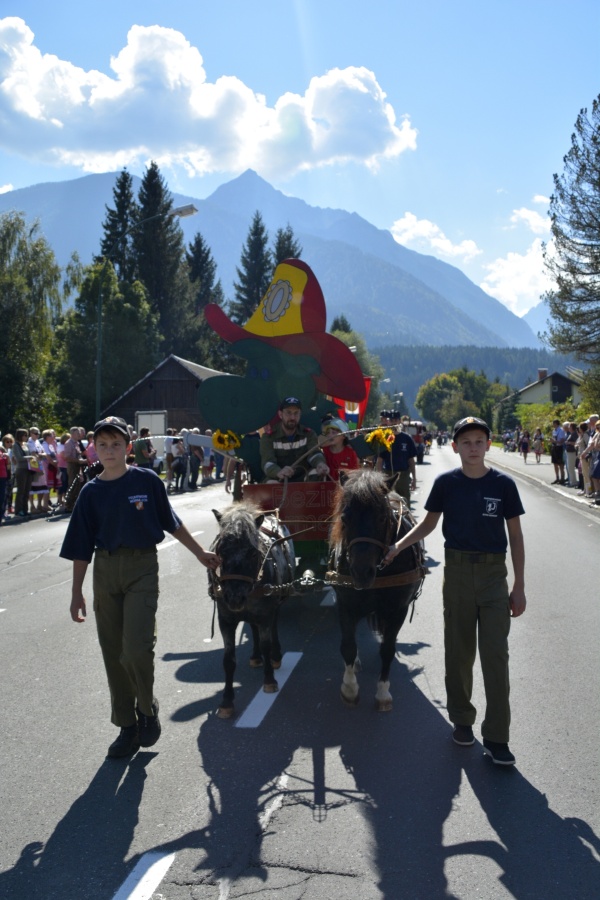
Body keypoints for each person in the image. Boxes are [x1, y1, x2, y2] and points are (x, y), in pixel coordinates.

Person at [60, 415, 220, 759]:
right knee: (112, 653)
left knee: (135, 648)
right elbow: (80, 547)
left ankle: (147, 709)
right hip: (105, 570)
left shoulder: (146, 480)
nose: (109, 450)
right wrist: (77, 593)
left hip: (142, 567)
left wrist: (200, 553)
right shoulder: (90, 492)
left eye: (116, 444)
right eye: (102, 444)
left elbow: (171, 523)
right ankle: (126, 726)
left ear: (129, 447)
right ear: (94, 450)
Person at [383, 416, 526, 766]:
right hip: (458, 571)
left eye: (479, 441)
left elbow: (516, 536)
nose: (473, 447)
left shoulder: (504, 485)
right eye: (467, 442)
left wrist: (519, 585)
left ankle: (497, 737)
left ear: (488, 445)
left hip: (494, 575)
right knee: (459, 651)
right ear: (455, 447)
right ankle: (462, 720)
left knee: (495, 655)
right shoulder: (447, 483)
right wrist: (398, 547)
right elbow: (429, 523)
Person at [260, 397, 329, 483]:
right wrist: (278, 472)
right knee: (271, 484)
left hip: (304, 476)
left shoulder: (309, 434)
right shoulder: (268, 437)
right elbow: (267, 463)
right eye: (288, 413)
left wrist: (320, 464)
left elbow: (314, 454)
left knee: (316, 473)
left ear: (300, 414)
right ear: (280, 414)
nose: (292, 417)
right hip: (279, 477)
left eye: (296, 413)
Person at [375, 419, 417, 506]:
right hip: (388, 475)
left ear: (399, 422)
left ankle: (405, 519)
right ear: (388, 422)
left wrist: (414, 478)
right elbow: (379, 461)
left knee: (404, 502)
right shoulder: (385, 438)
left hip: (403, 475)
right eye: (391, 421)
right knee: (388, 502)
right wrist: (379, 478)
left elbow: (411, 461)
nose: (394, 423)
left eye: (396, 420)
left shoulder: (407, 438)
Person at [550, 419, 567, 484]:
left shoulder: (561, 430)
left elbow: (562, 440)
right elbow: (554, 438)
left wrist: (555, 441)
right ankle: (557, 478)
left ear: (556, 424)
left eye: (554, 423)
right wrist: (552, 441)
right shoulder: (554, 431)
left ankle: (562, 478)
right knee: (555, 463)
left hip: (559, 447)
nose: (553, 425)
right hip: (554, 447)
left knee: (561, 464)